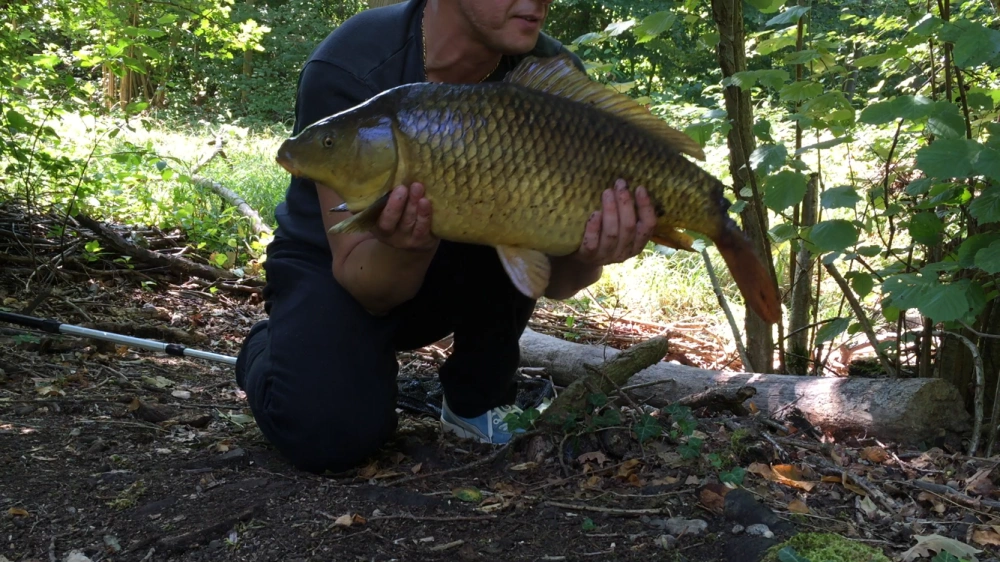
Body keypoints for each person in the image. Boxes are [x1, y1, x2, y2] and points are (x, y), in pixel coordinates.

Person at [235, 0, 658, 474]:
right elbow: (368, 289)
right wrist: (409, 245)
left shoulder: (547, 75)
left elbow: (556, 283)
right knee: (331, 437)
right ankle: (272, 345)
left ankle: (477, 398)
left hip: (467, 259)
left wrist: (593, 251)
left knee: (497, 215)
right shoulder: (351, 64)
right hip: (343, 265)